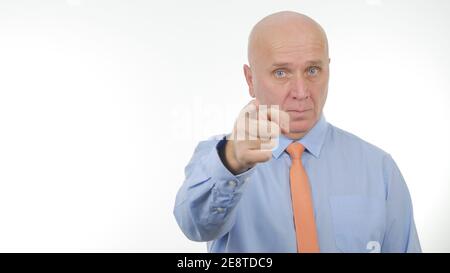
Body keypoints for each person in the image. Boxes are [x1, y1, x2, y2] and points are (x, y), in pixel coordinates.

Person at [173, 10, 421, 253]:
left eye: (313, 70)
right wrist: (231, 161)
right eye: (281, 73)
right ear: (250, 80)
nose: (301, 92)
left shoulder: (379, 168)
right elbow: (195, 226)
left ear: (328, 69)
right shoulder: (220, 157)